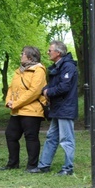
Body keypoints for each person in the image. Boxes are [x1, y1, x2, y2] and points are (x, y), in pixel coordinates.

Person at [28, 41, 78, 176]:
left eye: (50, 50)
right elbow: (51, 85)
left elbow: (64, 87)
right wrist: (46, 90)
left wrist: (48, 92)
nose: (48, 52)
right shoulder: (58, 66)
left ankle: (68, 168)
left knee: (67, 139)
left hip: (65, 108)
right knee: (51, 137)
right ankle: (44, 165)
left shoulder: (68, 66)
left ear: (58, 53)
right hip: (58, 108)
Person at [2, 46, 48, 171]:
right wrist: (8, 102)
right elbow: (11, 88)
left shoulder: (39, 70)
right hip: (17, 110)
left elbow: (34, 92)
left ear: (30, 56)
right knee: (10, 135)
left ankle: (32, 166)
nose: (20, 55)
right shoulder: (19, 71)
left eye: (22, 53)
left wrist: (16, 103)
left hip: (32, 111)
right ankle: (13, 164)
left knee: (31, 137)